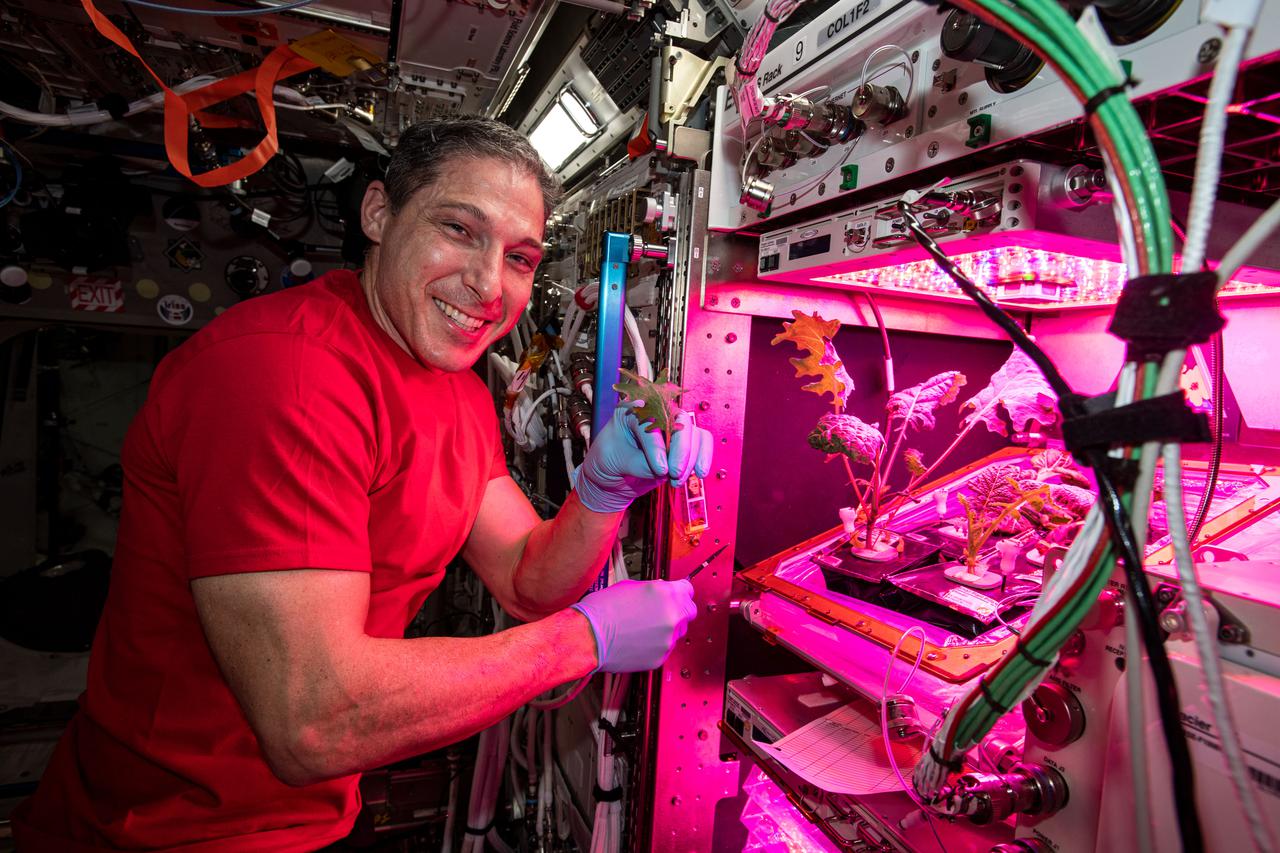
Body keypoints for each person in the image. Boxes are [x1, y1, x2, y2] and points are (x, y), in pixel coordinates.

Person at [14, 117, 711, 852]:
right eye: (459, 229)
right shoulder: (285, 372)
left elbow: (525, 576)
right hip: (168, 827)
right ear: (378, 213)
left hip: (313, 810)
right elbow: (311, 716)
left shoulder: (455, 387)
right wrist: (582, 642)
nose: (486, 283)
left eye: (520, 257)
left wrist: (603, 488)